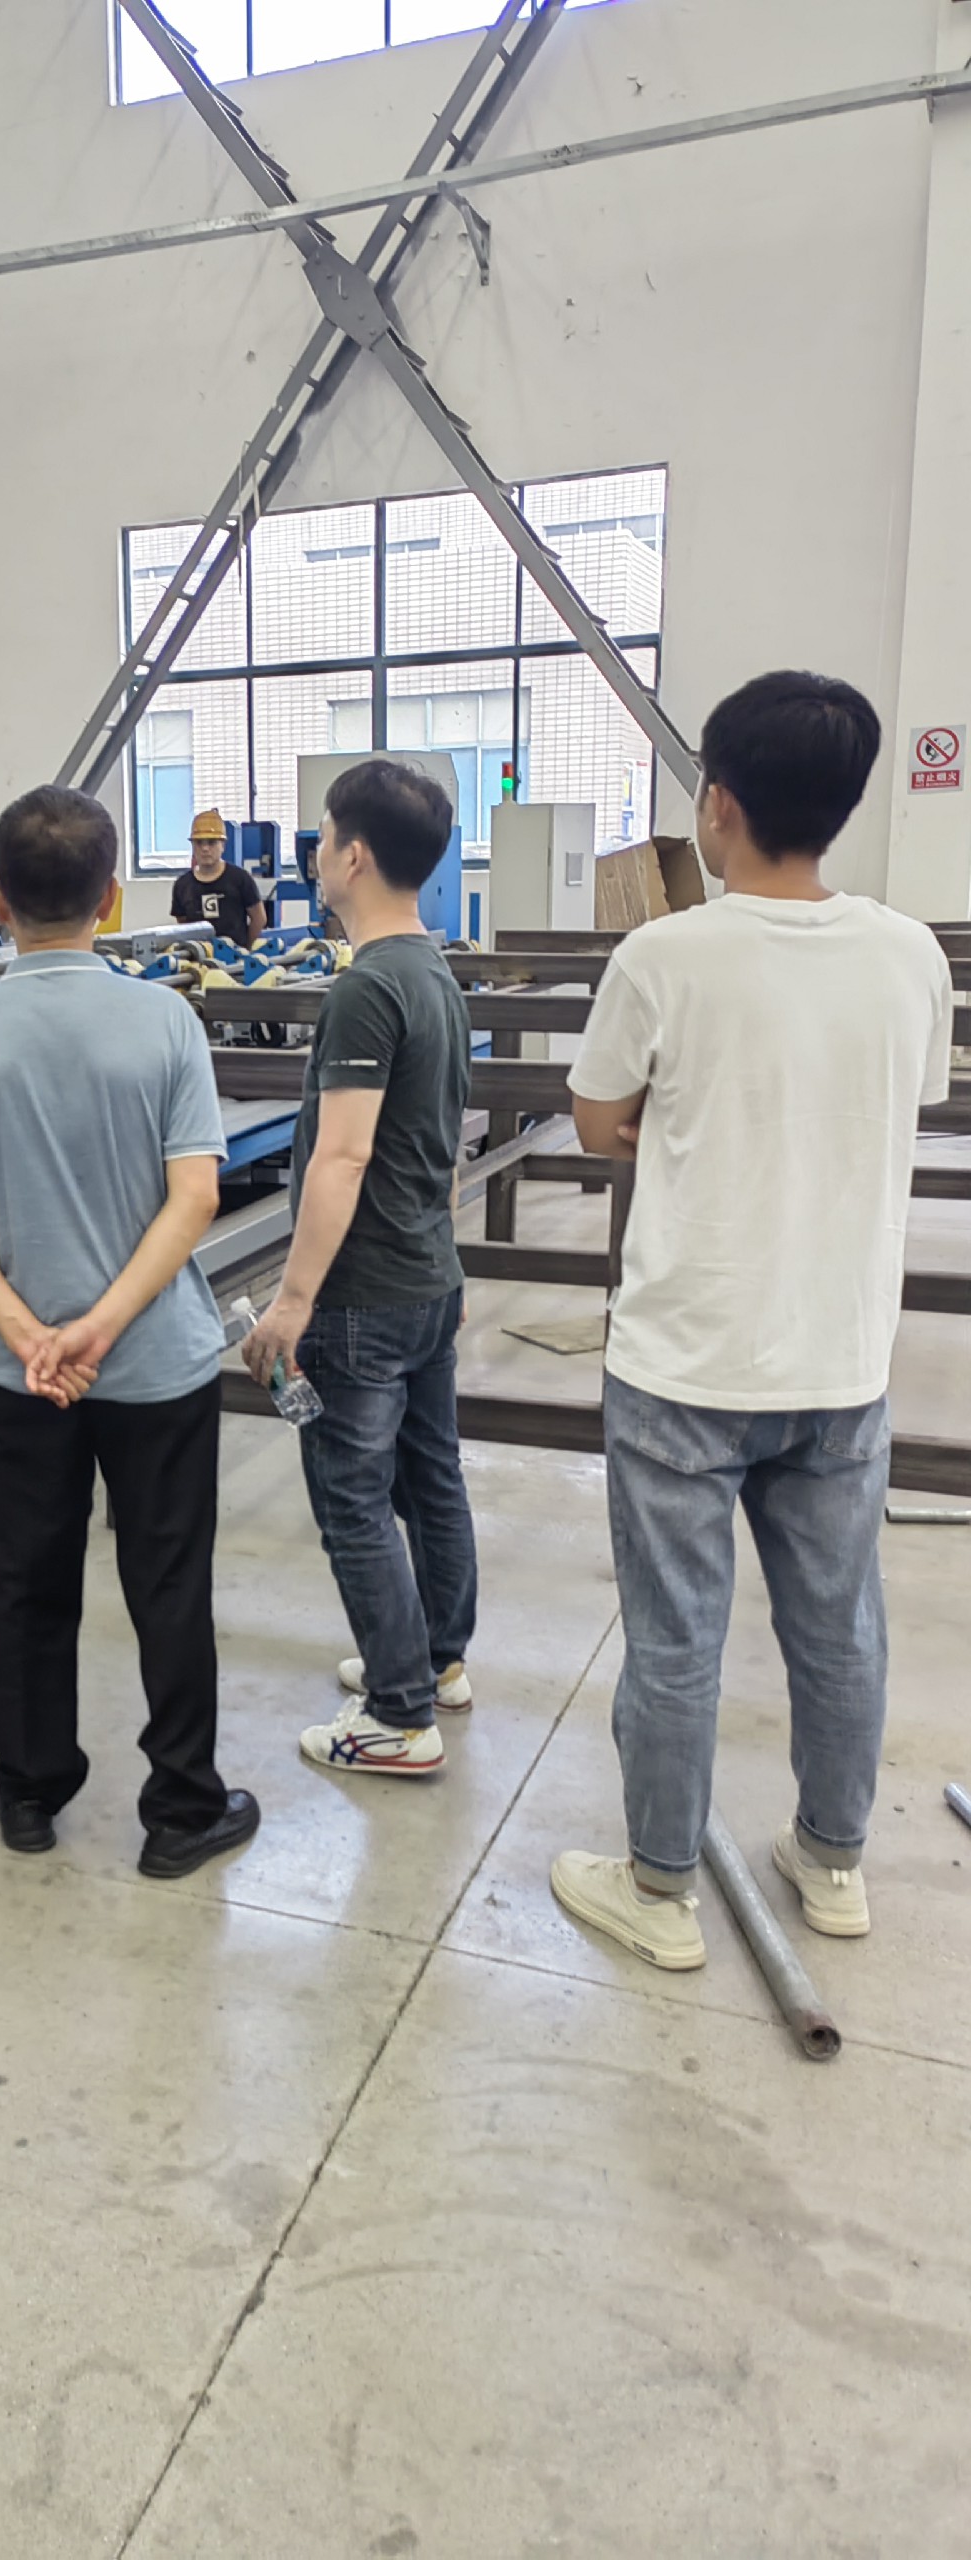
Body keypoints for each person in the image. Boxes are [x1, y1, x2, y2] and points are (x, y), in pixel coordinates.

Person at [551, 671, 955, 1972]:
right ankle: (833, 1864)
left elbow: (597, 1123)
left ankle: (661, 1889)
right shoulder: (911, 954)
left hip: (685, 1357)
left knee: (677, 1638)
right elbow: (906, 1099)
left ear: (717, 804)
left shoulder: (665, 956)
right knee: (838, 1627)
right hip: (838, 1357)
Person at [0, 785, 260, 1878]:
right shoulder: (164, 1023)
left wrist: (31, 1334)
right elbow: (194, 1197)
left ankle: (28, 1787)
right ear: (111, 898)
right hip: (152, 1365)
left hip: (18, 1372)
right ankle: (182, 1808)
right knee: (168, 1580)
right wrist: (104, 1328)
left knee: (22, 1576)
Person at [245, 759, 477, 1779]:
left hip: (364, 1295)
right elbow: (437, 1140)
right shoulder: (433, 972)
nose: (316, 853)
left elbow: (341, 1158)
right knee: (431, 1478)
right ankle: (435, 1660)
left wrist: (293, 1302)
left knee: (352, 1498)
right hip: (428, 1276)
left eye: (326, 835)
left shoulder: (369, 987)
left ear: (356, 856)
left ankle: (397, 1713)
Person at [171, 810, 267, 946]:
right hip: (198, 956)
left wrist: (247, 948)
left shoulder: (240, 879)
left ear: (222, 845)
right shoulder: (182, 885)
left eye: (211, 843)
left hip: (235, 955)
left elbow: (259, 918)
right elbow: (183, 924)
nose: (205, 849)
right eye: (199, 843)